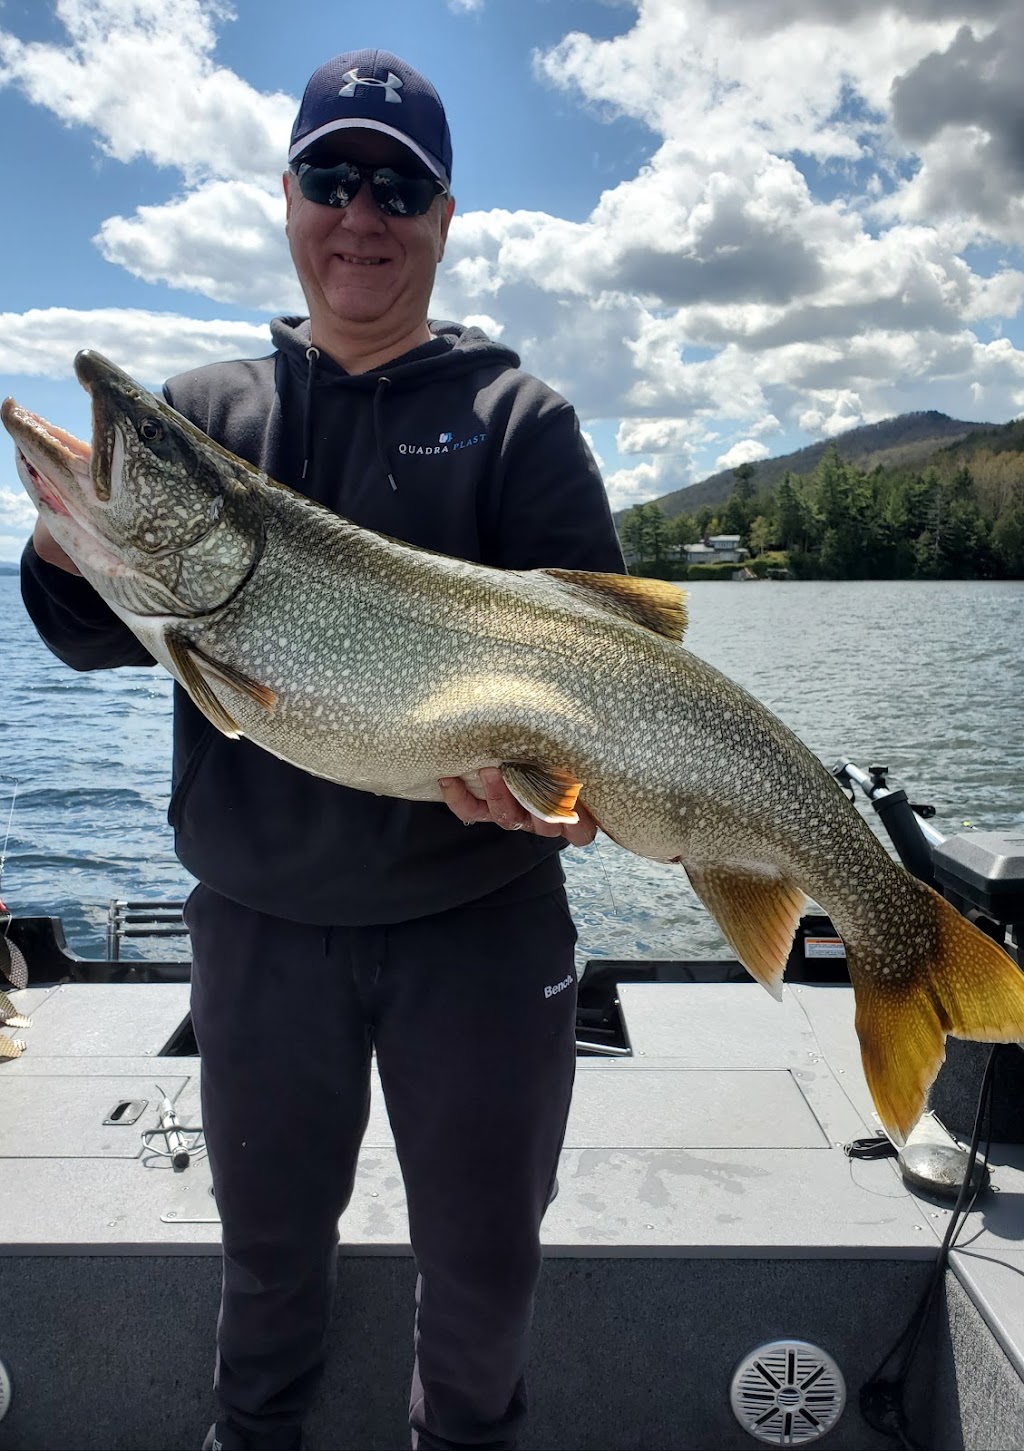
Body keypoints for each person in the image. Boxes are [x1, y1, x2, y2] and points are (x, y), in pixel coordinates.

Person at [21, 48, 624, 1451]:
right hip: (258, 931)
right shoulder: (204, 417)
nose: (364, 213)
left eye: (398, 187)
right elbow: (86, 636)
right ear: (288, 198)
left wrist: (568, 798)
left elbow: (601, 688)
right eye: (334, 178)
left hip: (480, 926)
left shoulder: (520, 422)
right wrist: (65, 544)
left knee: (482, 1280)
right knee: (268, 1270)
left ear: (444, 217)